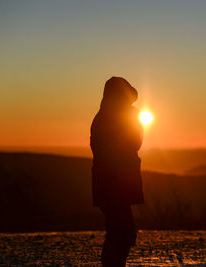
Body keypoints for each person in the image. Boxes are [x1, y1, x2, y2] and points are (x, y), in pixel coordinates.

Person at [90, 77, 144, 266]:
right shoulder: (114, 118)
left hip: (110, 185)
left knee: (119, 232)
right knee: (122, 233)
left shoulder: (105, 116)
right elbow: (134, 143)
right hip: (114, 186)